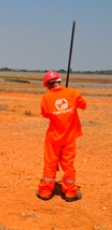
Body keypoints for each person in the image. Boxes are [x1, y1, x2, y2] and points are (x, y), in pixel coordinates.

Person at [36, 71, 87, 202]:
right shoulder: (73, 93)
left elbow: (45, 114)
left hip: (53, 139)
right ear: (59, 80)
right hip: (69, 139)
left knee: (50, 164)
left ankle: (45, 192)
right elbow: (83, 105)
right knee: (68, 165)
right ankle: (70, 193)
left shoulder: (46, 98)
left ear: (47, 85)